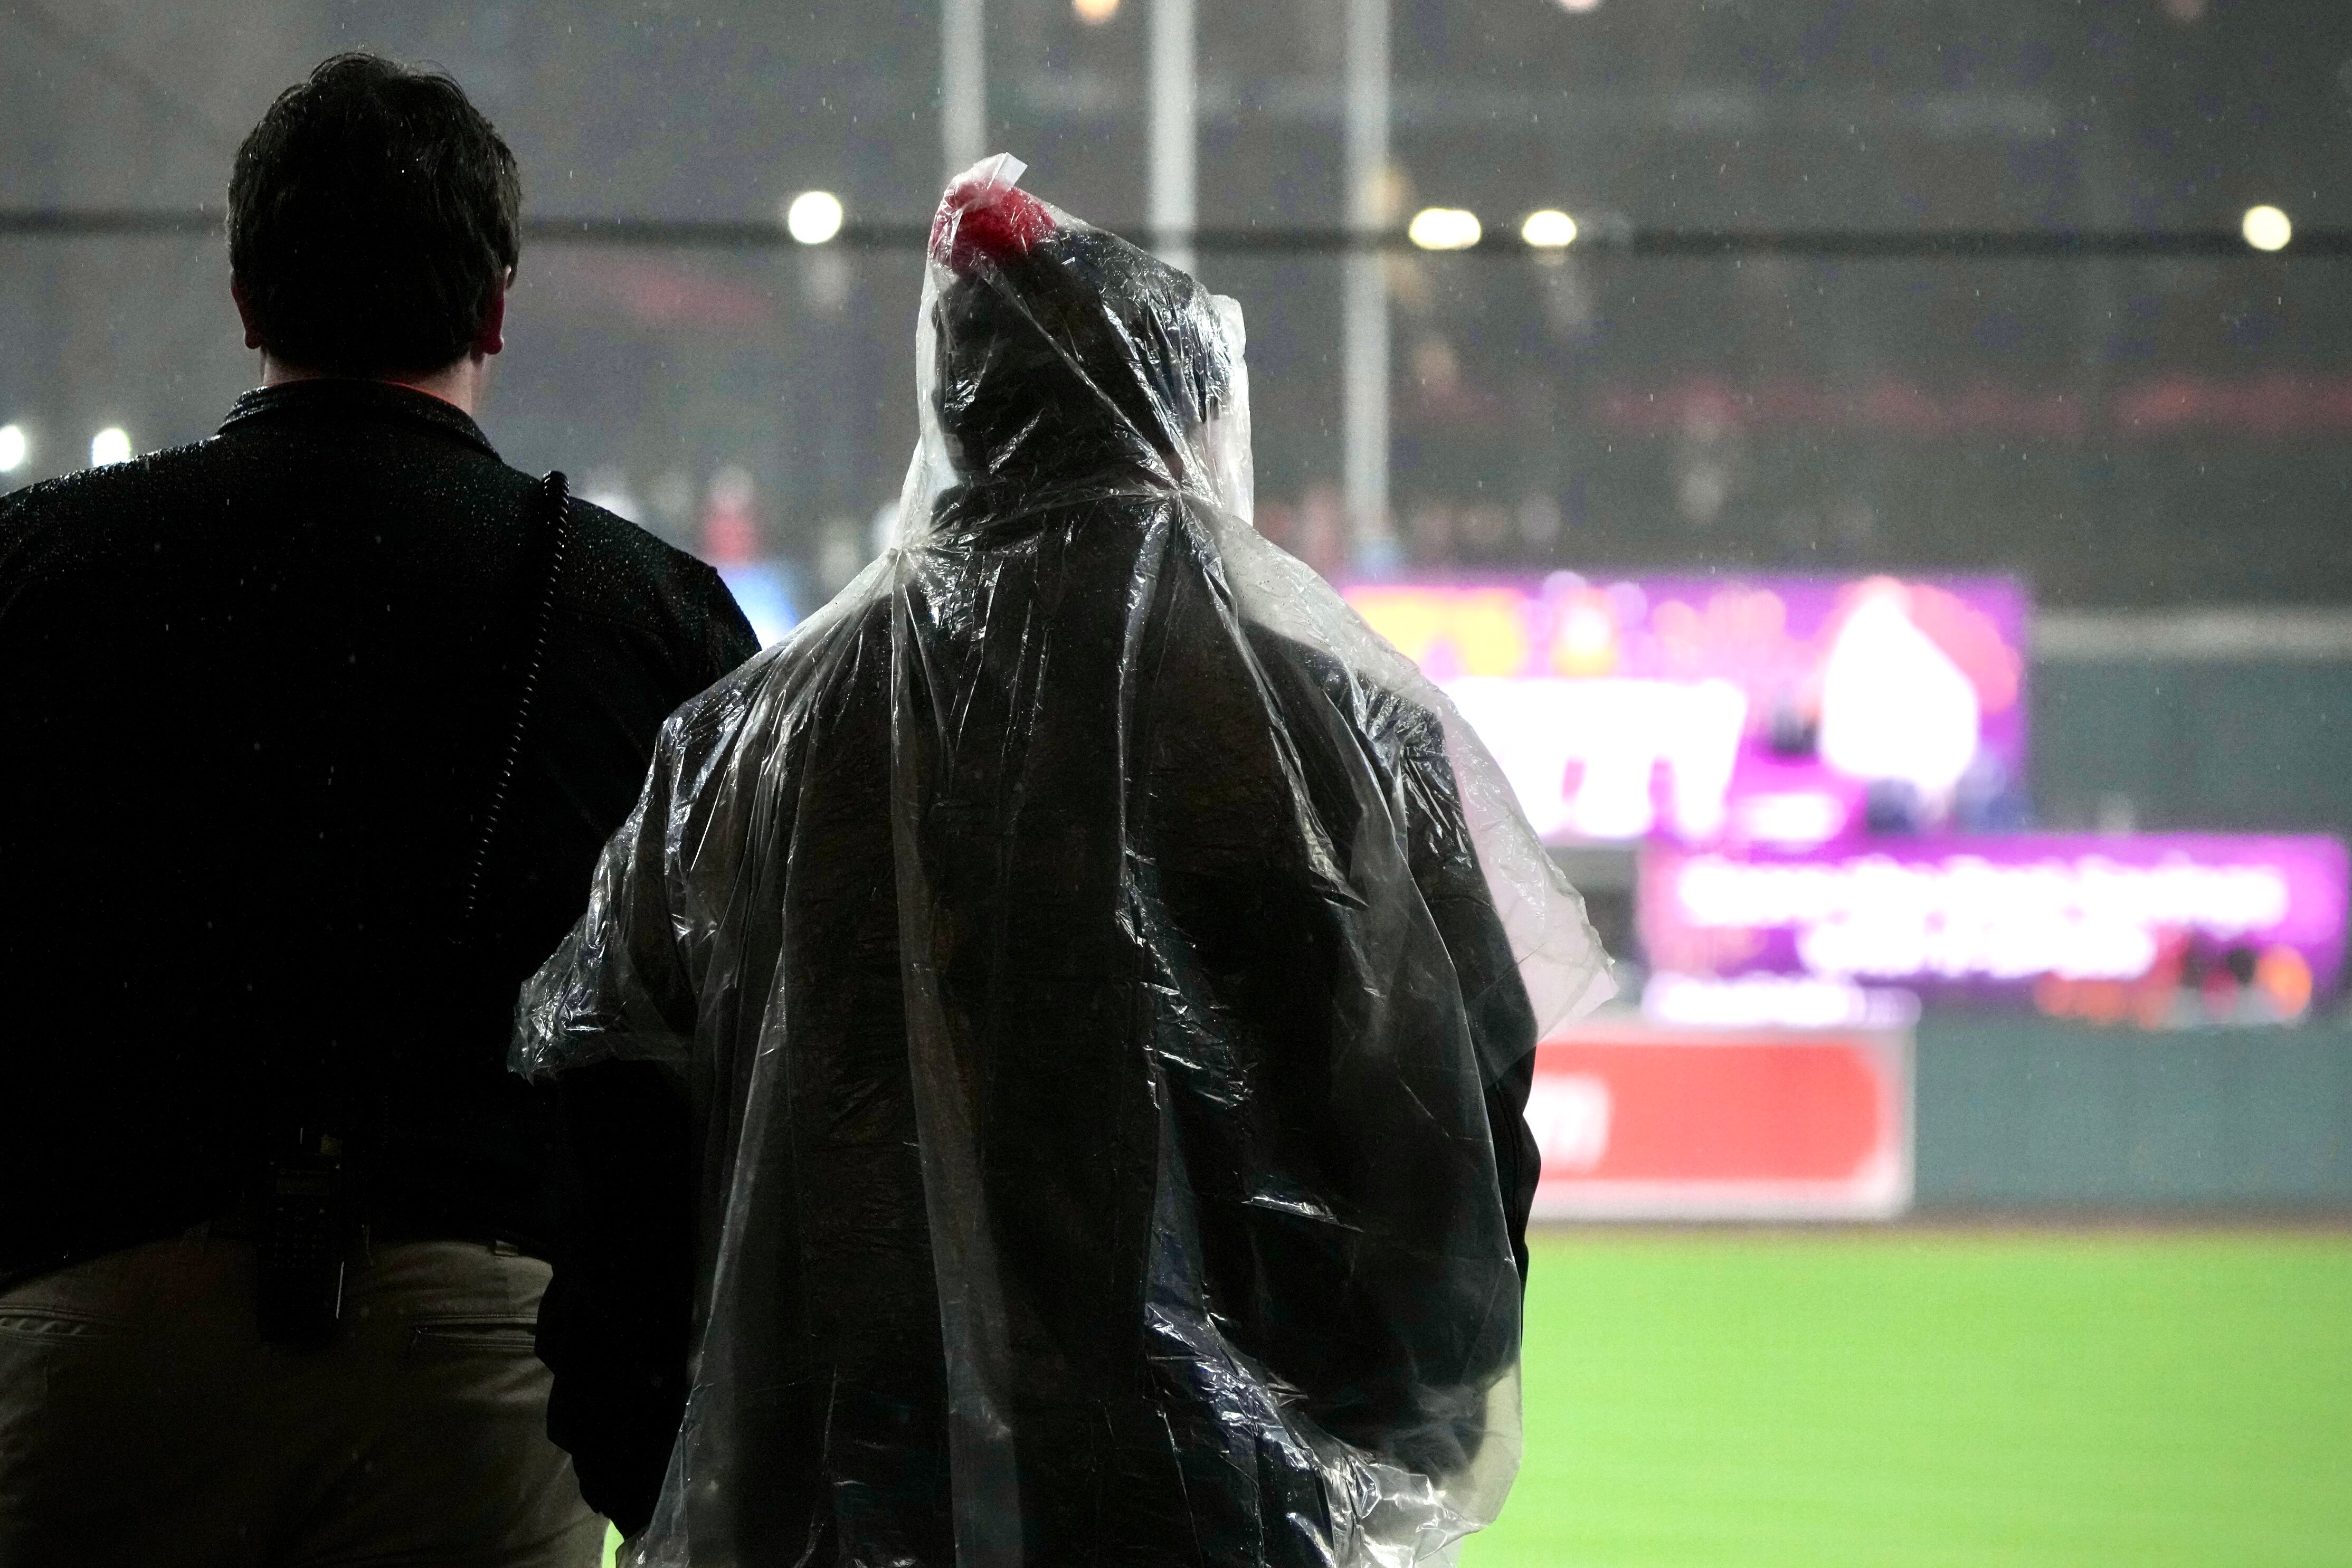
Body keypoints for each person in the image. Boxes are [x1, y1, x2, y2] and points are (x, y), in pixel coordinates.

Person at [515, 156, 1611, 1565]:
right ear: (1183, 415)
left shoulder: (752, 742)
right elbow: (1455, 1156)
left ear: (962, 418)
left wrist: (681, 1455)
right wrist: (1361, 1442)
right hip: (1218, 1518)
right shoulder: (1343, 731)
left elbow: (606, 1131)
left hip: (826, 1505)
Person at [0, 53, 757, 1564]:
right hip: (479, 1355)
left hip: (91, 1326)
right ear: (492, 309)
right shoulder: (638, 616)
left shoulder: (36, 574)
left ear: (247, 298)